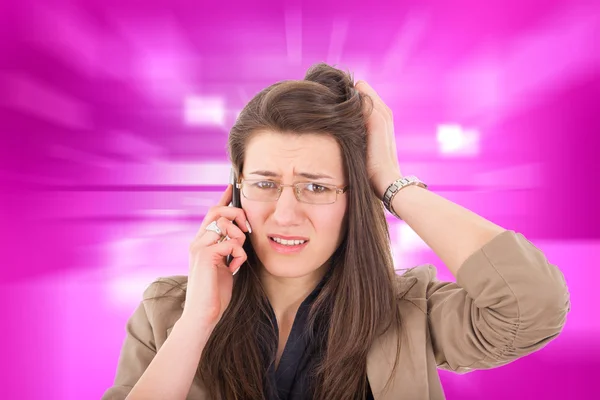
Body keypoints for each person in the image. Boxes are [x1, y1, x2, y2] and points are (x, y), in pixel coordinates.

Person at [102, 63, 570, 400]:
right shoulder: (168, 313)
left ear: (354, 200)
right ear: (235, 191)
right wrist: (199, 319)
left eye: (316, 186)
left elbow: (532, 306)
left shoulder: (408, 314)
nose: (285, 214)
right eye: (265, 184)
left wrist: (388, 180)